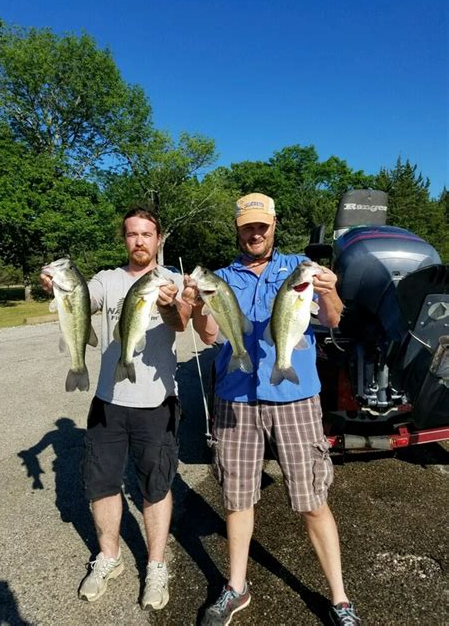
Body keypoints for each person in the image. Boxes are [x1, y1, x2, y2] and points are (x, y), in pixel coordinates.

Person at [182, 193, 361, 626]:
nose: (256, 232)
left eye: (262, 225)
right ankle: (236, 588)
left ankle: (339, 599)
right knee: (237, 498)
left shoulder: (300, 268)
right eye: (248, 226)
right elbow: (209, 337)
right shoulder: (221, 278)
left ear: (274, 225)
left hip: (296, 400)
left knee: (312, 499)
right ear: (238, 228)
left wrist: (332, 291)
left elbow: (335, 320)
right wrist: (201, 304)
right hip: (236, 399)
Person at [41, 208, 205, 610]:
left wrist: (169, 305)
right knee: (102, 484)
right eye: (132, 234)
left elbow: (182, 323)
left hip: (157, 404)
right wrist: (55, 286)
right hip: (107, 402)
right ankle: (109, 558)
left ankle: (156, 565)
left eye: (147, 234)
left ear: (159, 238)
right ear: (124, 239)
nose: (139, 241)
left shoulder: (169, 282)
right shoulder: (107, 280)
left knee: (156, 486)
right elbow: (82, 297)